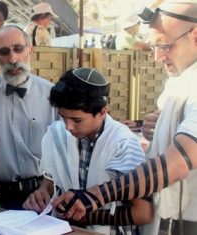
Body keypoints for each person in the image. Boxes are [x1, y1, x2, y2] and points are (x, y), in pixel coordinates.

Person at [51, 1, 197, 235]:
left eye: (165, 46)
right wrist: (153, 126)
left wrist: (94, 196)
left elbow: (180, 161)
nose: (157, 57)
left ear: (195, 35)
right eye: (154, 47)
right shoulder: (181, 80)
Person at [23, 68, 153, 234]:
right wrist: (41, 193)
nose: (68, 127)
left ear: (102, 112)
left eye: (77, 120)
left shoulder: (123, 143)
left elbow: (143, 213)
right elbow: (50, 182)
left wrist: (88, 217)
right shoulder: (55, 134)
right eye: (63, 117)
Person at [0, 25, 59, 209]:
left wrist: (47, 187)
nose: (13, 59)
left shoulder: (51, 95)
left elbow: (64, 150)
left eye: (18, 49)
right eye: (4, 52)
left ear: (30, 49)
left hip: (42, 195)